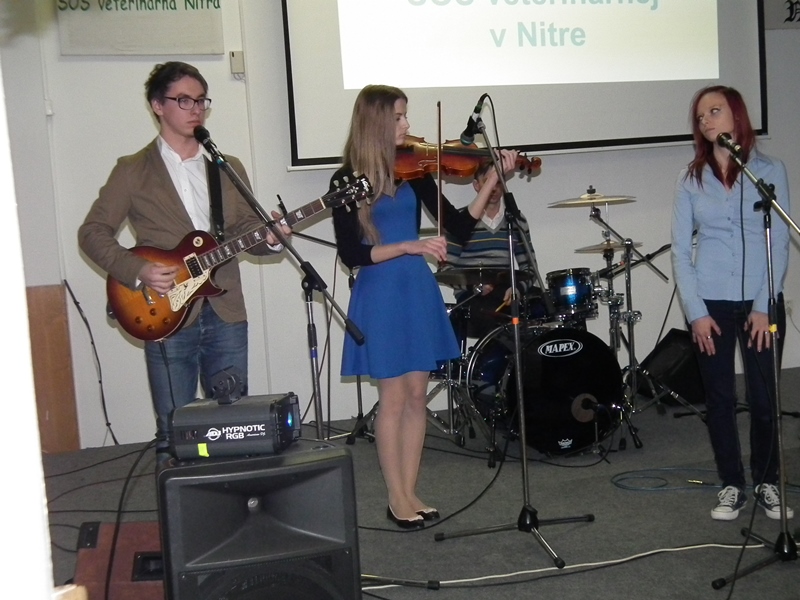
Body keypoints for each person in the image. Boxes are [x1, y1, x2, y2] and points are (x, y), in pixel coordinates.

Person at [78, 62, 290, 461]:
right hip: (163, 311)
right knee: (175, 429)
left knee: (235, 424)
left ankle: (231, 499)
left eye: (201, 101)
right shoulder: (132, 170)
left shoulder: (226, 166)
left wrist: (272, 240)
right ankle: (178, 499)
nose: (196, 109)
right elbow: (92, 232)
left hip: (226, 309)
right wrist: (138, 269)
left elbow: (248, 229)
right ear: (158, 105)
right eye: (184, 100)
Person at [331, 85, 517, 528]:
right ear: (377, 121)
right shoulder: (346, 180)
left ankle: (411, 491)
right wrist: (409, 245)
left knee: (417, 395)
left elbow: (458, 227)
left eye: (406, 116)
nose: (407, 125)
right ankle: (396, 497)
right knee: (393, 398)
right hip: (380, 292)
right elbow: (352, 253)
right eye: (398, 117)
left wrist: (493, 178)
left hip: (415, 289)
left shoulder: (413, 170)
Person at [671, 85, 792, 521]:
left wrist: (763, 304)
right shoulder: (690, 179)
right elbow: (680, 251)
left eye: (714, 111)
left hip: (761, 301)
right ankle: (732, 484)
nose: (706, 121)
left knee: (764, 399)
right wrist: (696, 313)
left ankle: (766, 480)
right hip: (712, 304)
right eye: (701, 116)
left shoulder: (769, 170)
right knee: (720, 399)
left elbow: (779, 240)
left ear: (736, 116)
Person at [444, 158, 544, 340]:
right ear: (476, 185)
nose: (494, 188)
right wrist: (474, 286)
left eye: (498, 182)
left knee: (541, 306)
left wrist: (517, 289)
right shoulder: (459, 221)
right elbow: (446, 270)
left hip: (506, 292)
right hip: (471, 295)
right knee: (491, 314)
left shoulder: (516, 219)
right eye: (488, 181)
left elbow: (530, 267)